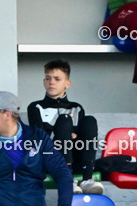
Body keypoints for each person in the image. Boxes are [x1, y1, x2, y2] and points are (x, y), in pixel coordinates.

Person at [27, 59, 104, 195]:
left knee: (89, 120)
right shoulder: (36, 107)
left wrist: (68, 134)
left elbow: (82, 138)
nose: (51, 82)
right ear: (44, 81)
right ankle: (66, 179)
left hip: (75, 158)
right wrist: (65, 131)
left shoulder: (76, 108)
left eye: (57, 79)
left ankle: (87, 179)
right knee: (65, 120)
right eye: (48, 78)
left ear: (67, 84)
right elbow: (39, 136)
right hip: (49, 158)